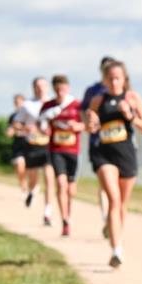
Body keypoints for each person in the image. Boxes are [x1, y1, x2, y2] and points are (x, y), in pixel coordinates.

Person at [86, 60, 142, 267]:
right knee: (113, 200)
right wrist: (91, 122)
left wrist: (129, 115)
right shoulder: (98, 100)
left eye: (118, 78)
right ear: (104, 79)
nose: (114, 82)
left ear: (124, 79)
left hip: (126, 154)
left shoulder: (133, 98)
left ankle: (115, 236)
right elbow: (91, 126)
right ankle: (116, 250)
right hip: (104, 154)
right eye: (110, 78)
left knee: (122, 204)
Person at [40, 75, 84, 236]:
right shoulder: (48, 106)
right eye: (57, 90)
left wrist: (77, 125)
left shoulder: (77, 105)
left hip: (73, 151)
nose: (60, 93)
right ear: (54, 89)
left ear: (68, 88)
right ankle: (64, 220)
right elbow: (41, 123)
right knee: (61, 183)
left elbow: (87, 124)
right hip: (56, 150)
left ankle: (68, 213)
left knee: (71, 190)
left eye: (63, 89)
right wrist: (45, 129)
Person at [11, 77, 54, 222]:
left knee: (49, 177)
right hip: (32, 144)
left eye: (43, 85)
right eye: (38, 86)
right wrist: (25, 127)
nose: (41, 88)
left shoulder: (54, 104)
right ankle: (31, 191)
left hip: (49, 145)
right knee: (33, 177)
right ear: (34, 88)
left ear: (48, 87)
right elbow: (16, 123)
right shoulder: (27, 105)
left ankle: (48, 211)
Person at [82, 57, 115, 238]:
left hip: (119, 145)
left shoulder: (124, 90)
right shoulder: (93, 91)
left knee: (116, 186)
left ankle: (112, 218)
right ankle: (106, 219)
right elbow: (84, 111)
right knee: (104, 183)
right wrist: (89, 123)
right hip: (98, 142)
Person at [7, 94, 30, 196]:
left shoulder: (29, 115)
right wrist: (11, 131)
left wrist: (21, 128)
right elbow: (10, 130)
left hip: (29, 144)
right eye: (15, 102)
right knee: (20, 167)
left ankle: (31, 186)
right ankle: (24, 187)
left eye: (19, 102)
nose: (17, 104)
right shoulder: (13, 116)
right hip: (18, 145)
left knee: (29, 169)